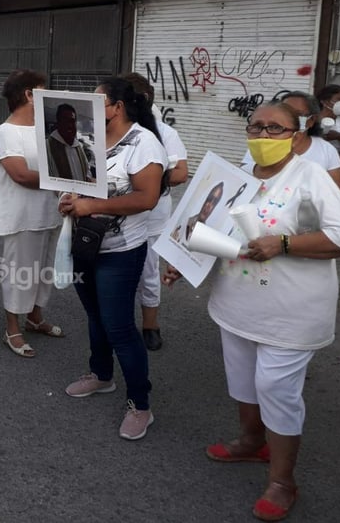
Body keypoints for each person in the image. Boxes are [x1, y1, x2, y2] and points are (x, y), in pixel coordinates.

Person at [163, 100, 340, 522]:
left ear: (297, 134)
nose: (263, 135)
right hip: (237, 304)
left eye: (275, 128)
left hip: (292, 311)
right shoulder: (235, 178)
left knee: (275, 387)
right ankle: (252, 441)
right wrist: (181, 262)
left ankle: (282, 481)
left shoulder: (309, 179)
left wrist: (283, 243)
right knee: (242, 380)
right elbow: (206, 230)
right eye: (256, 127)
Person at [59, 76, 167, 441]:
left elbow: (146, 198)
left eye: (96, 103)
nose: (89, 110)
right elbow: (80, 184)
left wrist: (94, 205)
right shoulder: (89, 140)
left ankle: (141, 404)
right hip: (86, 243)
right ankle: (101, 375)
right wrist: (71, 200)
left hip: (121, 250)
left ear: (117, 108)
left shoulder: (144, 143)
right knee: (94, 316)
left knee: (119, 326)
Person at [0, 69, 64, 358]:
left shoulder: (44, 129)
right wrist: (62, 178)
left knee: (44, 271)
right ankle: (12, 328)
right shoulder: (6, 131)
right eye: (42, 91)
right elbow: (20, 175)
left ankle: (35, 317)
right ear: (28, 95)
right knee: (20, 273)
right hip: (21, 217)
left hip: (49, 212)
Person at [124, 72, 189, 351]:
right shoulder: (113, 128)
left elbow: (181, 173)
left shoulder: (165, 133)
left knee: (148, 273)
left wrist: (144, 181)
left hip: (152, 216)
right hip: (118, 214)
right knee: (119, 272)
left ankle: (150, 325)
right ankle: (121, 324)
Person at [241, 91, 340, 193]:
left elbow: (336, 194)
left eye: (297, 114)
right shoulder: (262, 146)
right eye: (285, 112)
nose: (291, 117)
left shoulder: (326, 151)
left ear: (311, 120)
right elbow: (243, 184)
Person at [46, 103, 91, 181]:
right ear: (58, 123)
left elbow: (87, 171)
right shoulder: (47, 146)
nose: (70, 125)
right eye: (65, 121)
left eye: (72, 121)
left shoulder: (79, 146)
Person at [170, 182, 224, 246]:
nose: (209, 205)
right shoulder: (183, 222)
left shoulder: (208, 238)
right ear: (205, 200)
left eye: (214, 202)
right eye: (209, 199)